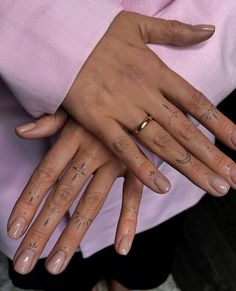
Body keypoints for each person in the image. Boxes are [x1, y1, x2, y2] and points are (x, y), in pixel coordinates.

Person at [0, 1, 236, 290]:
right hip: (16, 151)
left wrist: (157, 86)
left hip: (159, 175)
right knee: (55, 270)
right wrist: (59, 36)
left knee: (140, 263)